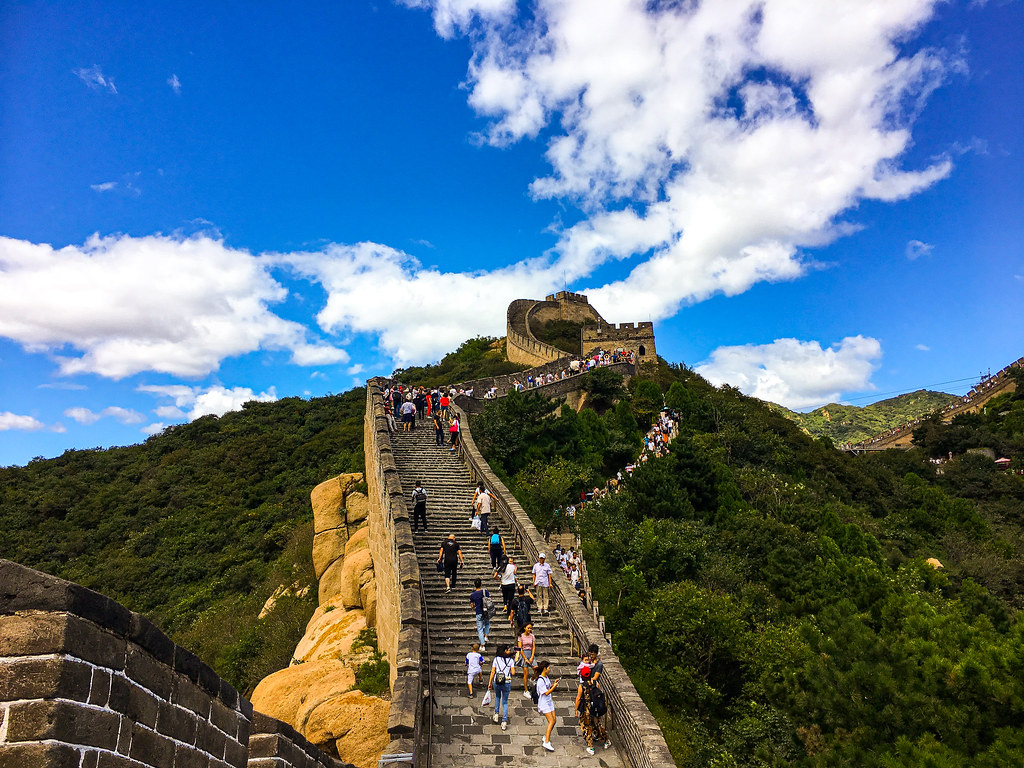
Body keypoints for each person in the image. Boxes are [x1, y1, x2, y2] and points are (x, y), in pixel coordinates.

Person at [575, 665, 610, 754]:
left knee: (586, 726)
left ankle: (591, 747)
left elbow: (578, 699)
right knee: (597, 724)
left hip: (586, 710)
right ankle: (606, 740)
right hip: (595, 708)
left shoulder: (582, 686)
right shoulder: (595, 683)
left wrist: (576, 710)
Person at [487, 644, 516, 731]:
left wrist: (490, 682)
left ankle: (496, 714)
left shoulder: (496, 659)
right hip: (506, 682)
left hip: (497, 681)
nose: (510, 651)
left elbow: (492, 672)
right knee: (505, 702)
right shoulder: (511, 660)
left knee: (497, 696)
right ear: (505, 651)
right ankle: (504, 721)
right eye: (508, 650)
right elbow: (513, 673)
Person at [534, 660, 560, 751]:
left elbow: (548, 687)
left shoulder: (546, 677)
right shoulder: (540, 681)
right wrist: (554, 687)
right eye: (548, 668)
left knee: (554, 720)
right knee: (551, 721)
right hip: (544, 703)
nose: (549, 669)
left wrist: (554, 683)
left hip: (549, 701)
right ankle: (546, 741)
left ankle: (546, 736)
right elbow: (546, 692)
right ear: (544, 669)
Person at [469, 578, 491, 650]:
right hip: (486, 611)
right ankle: (486, 635)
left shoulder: (473, 595)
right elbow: (489, 600)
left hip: (479, 612)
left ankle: (482, 645)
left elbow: (472, 605)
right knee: (487, 624)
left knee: (480, 629)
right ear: (481, 584)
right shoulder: (485, 592)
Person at [517, 622, 536, 697]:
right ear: (525, 628)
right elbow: (519, 648)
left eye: (531, 628)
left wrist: (532, 657)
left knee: (536, 669)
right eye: (528, 628)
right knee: (526, 673)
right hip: (524, 653)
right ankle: (526, 690)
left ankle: (532, 679)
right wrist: (525, 658)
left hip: (530, 653)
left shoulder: (532, 636)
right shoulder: (521, 636)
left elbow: (533, 647)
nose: (530, 629)